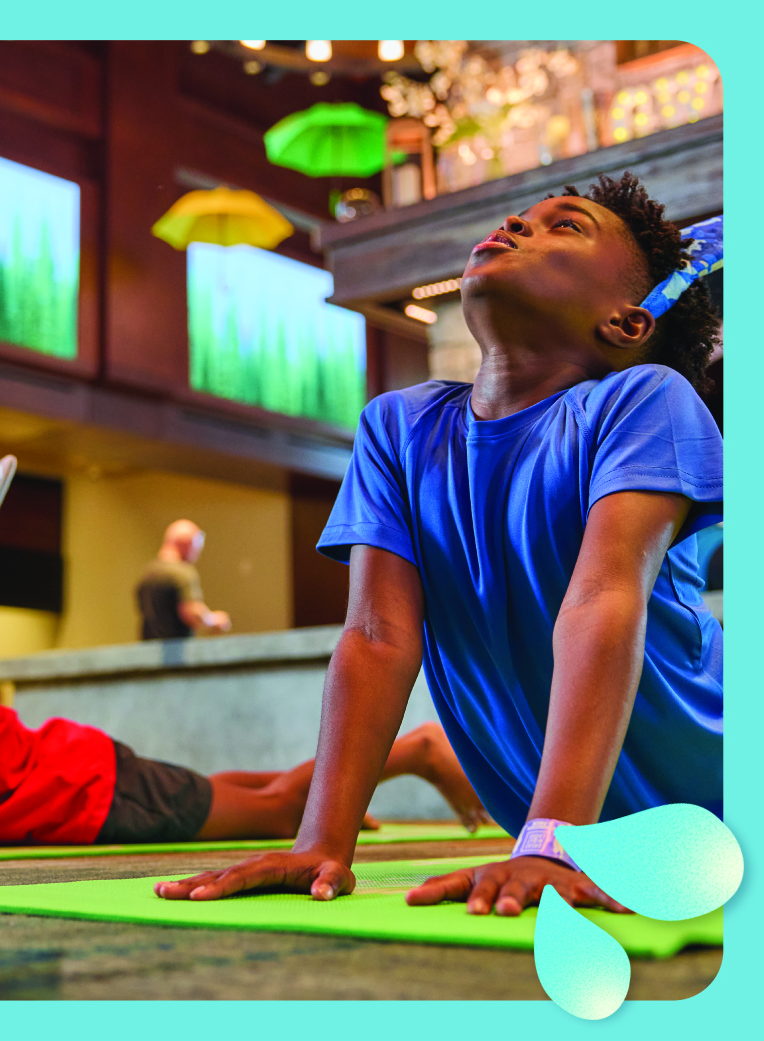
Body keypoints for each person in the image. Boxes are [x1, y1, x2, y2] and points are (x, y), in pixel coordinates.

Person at [156, 173, 722, 916]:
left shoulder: (643, 398)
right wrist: (320, 842)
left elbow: (603, 596)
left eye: (565, 225)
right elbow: (375, 636)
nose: (516, 223)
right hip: (561, 834)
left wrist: (552, 841)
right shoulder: (398, 427)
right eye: (520, 214)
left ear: (626, 323)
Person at [0, 459, 492, 844]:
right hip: (76, 788)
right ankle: (340, 779)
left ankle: (417, 750)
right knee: (227, 791)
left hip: (85, 796)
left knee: (278, 812)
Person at [135, 519, 231, 639]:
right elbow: (191, 613)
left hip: (148, 648)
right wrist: (214, 620)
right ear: (188, 544)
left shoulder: (147, 573)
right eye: (197, 548)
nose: (197, 555)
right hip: (176, 648)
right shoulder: (182, 573)